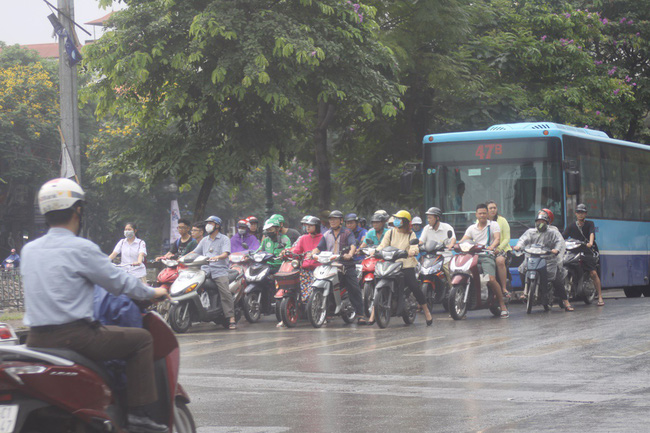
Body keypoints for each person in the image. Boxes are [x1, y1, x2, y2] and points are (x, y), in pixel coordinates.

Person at [21, 178, 169, 433]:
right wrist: (154, 291)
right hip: (76, 338)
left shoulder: (29, 250)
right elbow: (120, 282)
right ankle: (138, 417)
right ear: (78, 210)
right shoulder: (81, 248)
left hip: (34, 340)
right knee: (141, 340)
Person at [368, 210, 433, 326]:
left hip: (406, 264)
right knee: (377, 279)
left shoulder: (410, 234)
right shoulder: (390, 233)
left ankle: (426, 311)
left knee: (414, 286)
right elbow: (383, 245)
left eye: (399, 219)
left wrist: (412, 251)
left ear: (405, 222)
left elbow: (414, 246)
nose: (396, 221)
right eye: (396, 219)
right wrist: (375, 251)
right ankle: (373, 312)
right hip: (390, 263)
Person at [310, 210, 366, 324]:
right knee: (326, 284)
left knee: (354, 288)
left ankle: (360, 314)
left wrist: (350, 254)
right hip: (331, 265)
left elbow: (352, 245)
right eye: (331, 219)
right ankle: (328, 313)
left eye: (335, 219)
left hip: (346, 265)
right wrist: (313, 253)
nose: (332, 221)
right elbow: (319, 247)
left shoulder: (347, 232)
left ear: (341, 221)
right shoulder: (326, 234)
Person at [515, 211, 574, 311]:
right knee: (522, 270)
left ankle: (566, 302)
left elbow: (559, 242)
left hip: (549, 260)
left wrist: (556, 250)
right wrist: (518, 246)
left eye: (543, 221)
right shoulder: (530, 232)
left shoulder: (553, 232)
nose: (540, 223)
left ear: (547, 222)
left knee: (556, 280)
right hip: (533, 258)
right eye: (538, 221)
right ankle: (525, 291)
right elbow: (523, 240)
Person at [459, 203, 509, 318]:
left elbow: (497, 238)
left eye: (484, 213)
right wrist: (455, 245)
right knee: (465, 275)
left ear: (487, 214)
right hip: (472, 256)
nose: (482, 215)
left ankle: (502, 306)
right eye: (480, 213)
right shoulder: (472, 228)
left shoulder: (493, 225)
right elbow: (463, 240)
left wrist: (491, 247)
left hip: (487, 255)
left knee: (491, 279)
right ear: (476, 215)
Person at [191, 215, 237, 329]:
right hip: (205, 269)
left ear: (217, 226)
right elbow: (195, 252)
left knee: (225, 292)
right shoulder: (204, 240)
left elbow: (226, 253)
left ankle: (231, 317)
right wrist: (180, 258)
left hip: (219, 269)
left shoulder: (224, 239)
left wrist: (217, 257)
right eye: (208, 223)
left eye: (211, 223)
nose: (208, 226)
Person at [279, 216, 323, 327]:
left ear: (316, 227)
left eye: (310, 225)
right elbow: (297, 251)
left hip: (319, 270)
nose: (307, 227)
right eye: (306, 225)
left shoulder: (323, 238)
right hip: (305, 270)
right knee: (298, 291)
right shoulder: (303, 238)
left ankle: (323, 315)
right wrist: (286, 253)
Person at [562, 204, 604, 306]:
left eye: (582, 213)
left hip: (587, 251)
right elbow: (563, 236)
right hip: (573, 252)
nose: (580, 215)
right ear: (576, 214)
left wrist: (590, 243)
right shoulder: (571, 226)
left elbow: (591, 233)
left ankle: (600, 296)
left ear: (585, 214)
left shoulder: (590, 224)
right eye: (578, 212)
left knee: (593, 273)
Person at [419, 207, 456, 282]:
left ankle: (452, 289)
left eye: (430, 218)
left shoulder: (447, 227)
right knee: (419, 271)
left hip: (445, 256)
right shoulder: (426, 228)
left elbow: (453, 238)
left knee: (448, 271)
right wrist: (417, 246)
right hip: (430, 257)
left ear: (437, 218)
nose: (428, 220)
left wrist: (451, 245)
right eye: (427, 218)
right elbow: (421, 241)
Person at [486, 201, 512, 299]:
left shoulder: (502, 220)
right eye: (490, 208)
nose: (493, 210)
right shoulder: (480, 221)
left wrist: (498, 248)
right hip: (486, 250)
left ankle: (504, 288)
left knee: (500, 261)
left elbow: (506, 238)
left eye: (494, 208)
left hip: (502, 249)